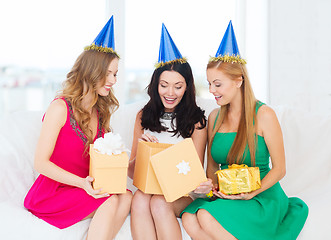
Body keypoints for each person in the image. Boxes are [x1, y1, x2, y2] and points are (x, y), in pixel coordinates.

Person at [181, 20, 309, 240]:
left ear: (239, 81)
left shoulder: (264, 115)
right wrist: (213, 189)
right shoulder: (214, 117)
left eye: (217, 84)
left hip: (260, 196)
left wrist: (252, 192)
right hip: (227, 194)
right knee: (189, 217)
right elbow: (211, 168)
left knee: (205, 216)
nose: (211, 90)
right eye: (210, 83)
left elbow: (279, 169)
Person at [24, 16, 132, 239]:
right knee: (110, 200)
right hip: (55, 192)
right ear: (92, 71)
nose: (113, 80)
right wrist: (81, 184)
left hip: (84, 187)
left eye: (115, 74)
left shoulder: (99, 111)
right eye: (108, 73)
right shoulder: (60, 108)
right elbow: (40, 163)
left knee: (127, 196)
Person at [128, 24, 207, 240]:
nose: (170, 93)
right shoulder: (143, 116)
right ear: (156, 85)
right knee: (140, 198)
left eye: (178, 86)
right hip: (148, 190)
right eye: (164, 85)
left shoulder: (197, 122)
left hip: (181, 195)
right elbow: (132, 173)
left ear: (187, 87)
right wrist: (144, 150)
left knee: (159, 201)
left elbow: (194, 177)